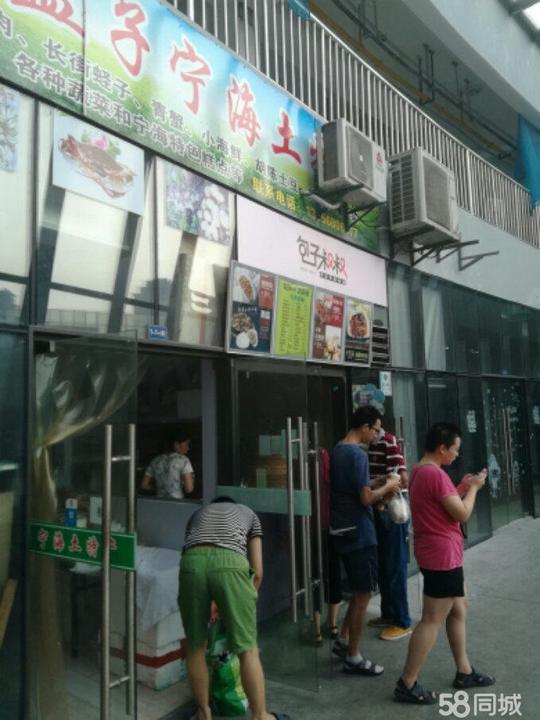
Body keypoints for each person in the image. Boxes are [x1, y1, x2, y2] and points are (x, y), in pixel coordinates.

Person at [394, 422, 495, 704]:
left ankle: (464, 671)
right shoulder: (435, 474)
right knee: (431, 620)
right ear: (442, 448)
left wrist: (462, 486)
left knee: (459, 608)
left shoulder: (419, 470)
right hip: (442, 556)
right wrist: (474, 489)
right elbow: (461, 513)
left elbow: (440, 502)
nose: (456, 454)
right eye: (455, 449)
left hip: (434, 552)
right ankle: (407, 682)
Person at [178, 497, 289, 720]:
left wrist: (216, 601)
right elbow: (257, 572)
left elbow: (200, 557)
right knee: (248, 649)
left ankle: (203, 713)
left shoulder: (197, 515)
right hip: (230, 562)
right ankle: (260, 716)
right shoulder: (248, 513)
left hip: (191, 563)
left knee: (195, 647)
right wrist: (240, 605)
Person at [329, 406, 401, 676]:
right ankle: (354, 656)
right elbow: (366, 498)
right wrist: (389, 487)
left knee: (359, 590)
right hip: (360, 533)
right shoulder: (358, 454)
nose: (377, 435)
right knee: (364, 594)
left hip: (342, 530)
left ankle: (344, 640)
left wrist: (379, 479)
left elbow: (357, 486)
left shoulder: (339, 449)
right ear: (365, 427)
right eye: (376, 430)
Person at [367, 424, 412, 641]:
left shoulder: (388, 441)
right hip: (379, 507)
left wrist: (381, 498)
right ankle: (388, 613)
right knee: (385, 564)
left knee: (395, 565)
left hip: (390, 509)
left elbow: (399, 478)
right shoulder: (369, 445)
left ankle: (402, 620)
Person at [141, 432, 194, 498]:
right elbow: (189, 489)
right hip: (177, 501)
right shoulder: (184, 460)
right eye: (186, 444)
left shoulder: (155, 460)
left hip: (159, 501)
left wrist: (159, 488)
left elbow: (144, 485)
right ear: (176, 444)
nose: (188, 448)